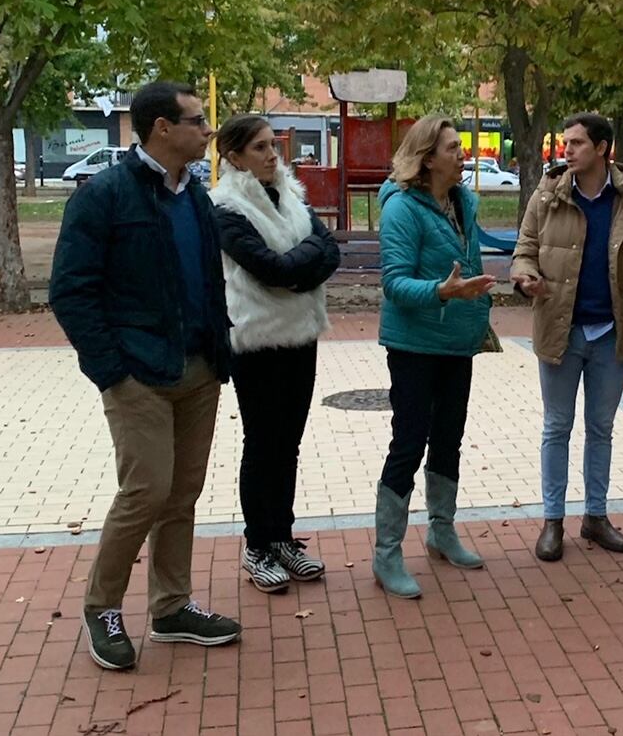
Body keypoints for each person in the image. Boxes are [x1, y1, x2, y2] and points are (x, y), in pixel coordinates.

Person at [50, 81, 240, 671]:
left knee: (182, 493)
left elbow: (208, 280)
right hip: (138, 374)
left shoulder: (196, 198)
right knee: (146, 491)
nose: (208, 130)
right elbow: (70, 291)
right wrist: (111, 369)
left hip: (198, 369)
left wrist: (218, 348)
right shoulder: (104, 195)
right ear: (162, 127)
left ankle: (171, 607)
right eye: (196, 120)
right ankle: (102, 606)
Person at [512, 113, 623, 562]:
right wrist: (526, 278)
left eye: (577, 143)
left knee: (602, 428)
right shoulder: (549, 194)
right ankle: (553, 521)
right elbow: (524, 251)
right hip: (560, 329)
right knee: (557, 427)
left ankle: (595, 516)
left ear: (602, 148)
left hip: (610, 334)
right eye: (566, 142)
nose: (567, 150)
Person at [209, 115, 340, 593]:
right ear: (234, 156)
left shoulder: (292, 195)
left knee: (290, 444)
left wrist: (296, 270)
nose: (272, 155)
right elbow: (269, 268)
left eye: (274, 146)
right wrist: (299, 269)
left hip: (301, 334)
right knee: (262, 444)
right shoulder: (224, 207)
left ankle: (282, 537)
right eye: (260, 147)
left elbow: (328, 252)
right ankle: (258, 546)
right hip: (257, 341)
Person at [372, 115, 496, 599]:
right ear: (427, 159)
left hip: (456, 343)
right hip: (414, 345)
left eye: (460, 147)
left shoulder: (463, 203)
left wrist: (476, 300)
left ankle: (442, 531)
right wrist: (443, 292)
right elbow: (393, 283)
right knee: (409, 443)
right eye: (451, 148)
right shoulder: (403, 208)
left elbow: (474, 265)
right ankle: (386, 554)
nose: (461, 154)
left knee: (449, 439)